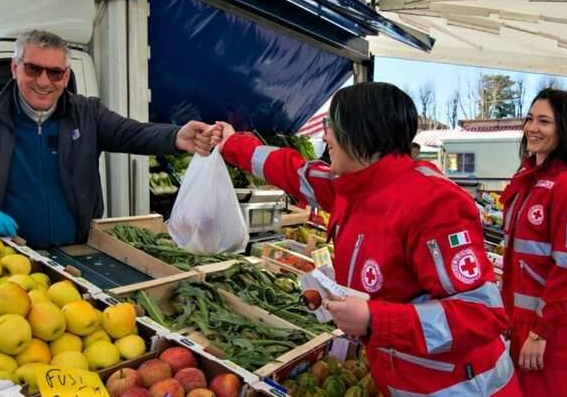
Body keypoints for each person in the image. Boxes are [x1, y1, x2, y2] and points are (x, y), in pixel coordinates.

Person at [212, 82, 520, 396]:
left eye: (333, 126)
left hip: (463, 388)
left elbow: (481, 314)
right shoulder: (352, 185)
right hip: (401, 382)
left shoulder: (433, 202)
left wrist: (376, 320)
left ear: (362, 132)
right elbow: (294, 172)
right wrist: (232, 144)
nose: (324, 136)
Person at [0, 30, 214, 249]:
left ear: (66, 76)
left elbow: (134, 133)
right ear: (15, 68)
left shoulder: (86, 113)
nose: (43, 81)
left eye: (55, 72)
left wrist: (176, 135)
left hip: (75, 255)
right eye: (33, 68)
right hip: (2, 258)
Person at [499, 89, 567, 396]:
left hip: (548, 328)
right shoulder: (528, 179)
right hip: (517, 320)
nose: (532, 128)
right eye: (529, 119)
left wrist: (540, 333)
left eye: (544, 121)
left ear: (564, 129)